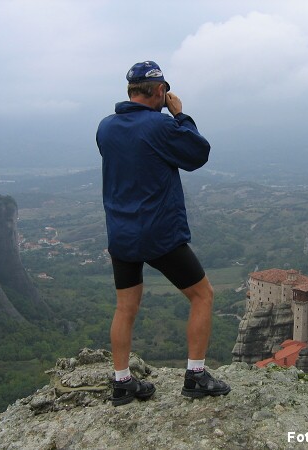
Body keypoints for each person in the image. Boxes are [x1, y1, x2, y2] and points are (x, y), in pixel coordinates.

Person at [96, 61, 231, 406]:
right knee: (203, 295)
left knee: (125, 307)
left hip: (121, 234)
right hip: (158, 234)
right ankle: (196, 376)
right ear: (159, 91)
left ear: (130, 91)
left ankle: (123, 382)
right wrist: (180, 116)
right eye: (164, 91)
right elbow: (197, 153)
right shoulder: (159, 124)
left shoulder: (106, 128)